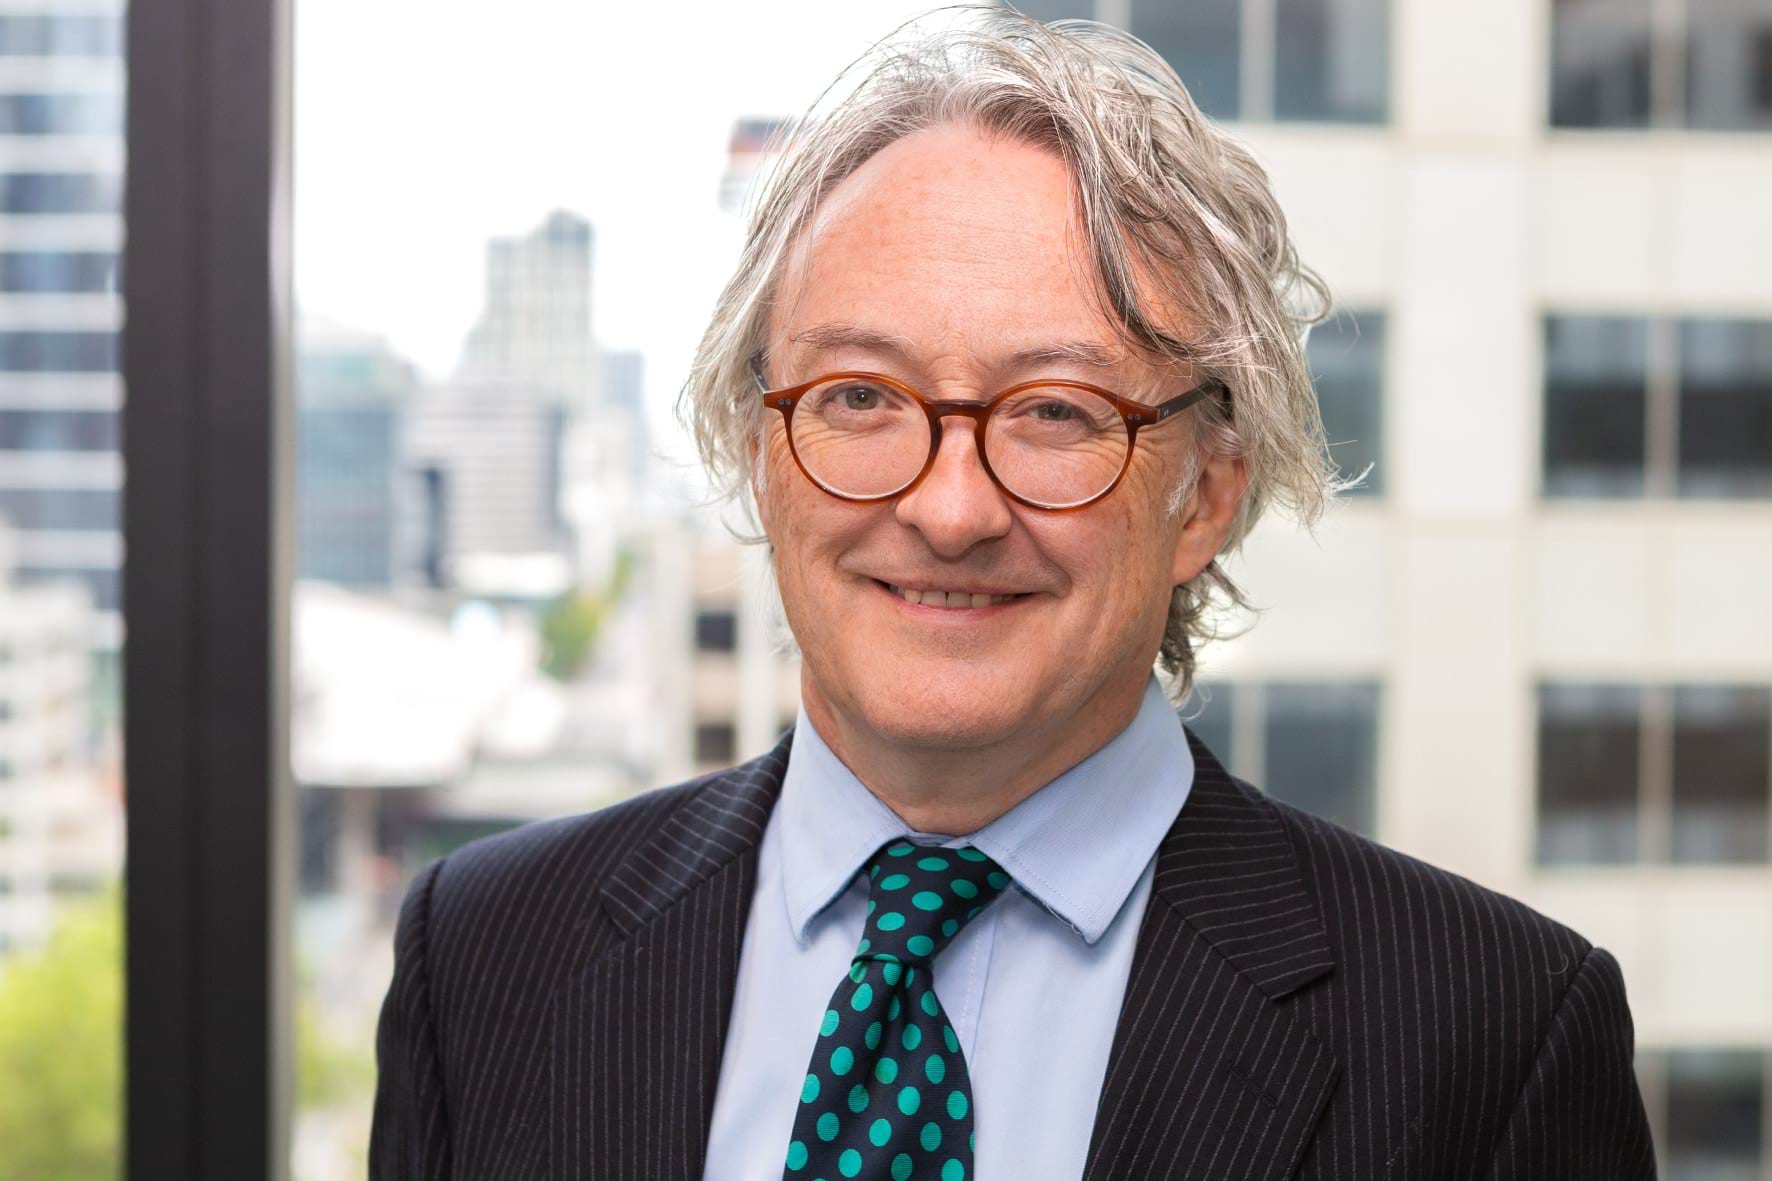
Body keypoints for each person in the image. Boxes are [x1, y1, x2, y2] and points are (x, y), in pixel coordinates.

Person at [370, 10, 1655, 1180]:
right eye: (860, 396)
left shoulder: (1492, 1034)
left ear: (1204, 491)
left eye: (1054, 410)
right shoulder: (482, 955)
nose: (946, 508)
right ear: (760, 449)